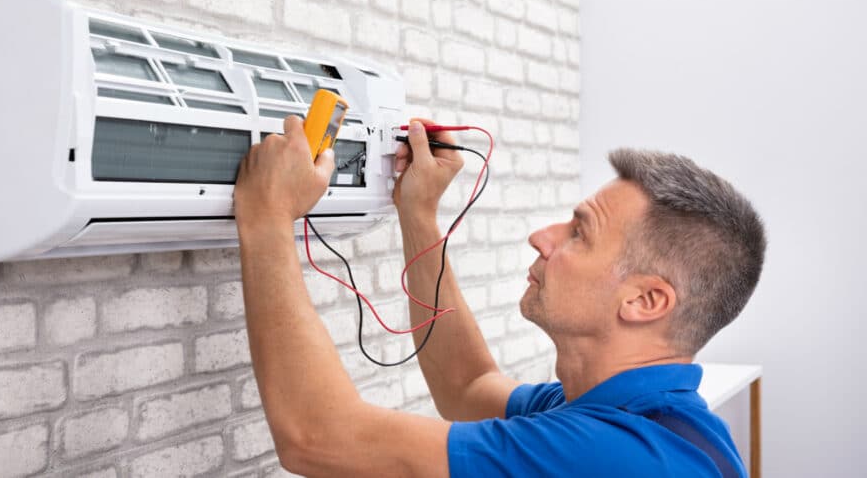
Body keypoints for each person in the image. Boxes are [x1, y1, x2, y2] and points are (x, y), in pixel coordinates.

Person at [233, 116, 766, 477]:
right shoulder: (632, 414)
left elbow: (316, 436)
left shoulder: (616, 455)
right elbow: (468, 387)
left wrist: (267, 217)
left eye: (579, 233)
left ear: (646, 301)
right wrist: (418, 215)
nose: (543, 237)